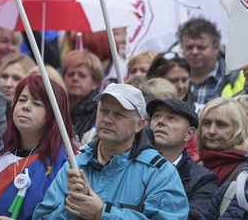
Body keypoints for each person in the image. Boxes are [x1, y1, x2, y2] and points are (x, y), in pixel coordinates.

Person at [33, 83, 188, 219]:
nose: (107, 119)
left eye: (118, 115)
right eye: (104, 111)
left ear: (139, 125)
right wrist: (71, 207)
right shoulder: (75, 165)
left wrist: (102, 213)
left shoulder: (160, 173)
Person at [0, 75, 72, 220]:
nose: (26, 106)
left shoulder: (67, 165)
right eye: (22, 100)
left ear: (54, 115)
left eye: (37, 103)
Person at [148, 98, 218, 218]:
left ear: (189, 134)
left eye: (171, 118)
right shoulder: (129, 162)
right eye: (157, 115)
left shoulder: (201, 179)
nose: (160, 121)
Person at [178, 18, 244, 110]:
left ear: (216, 47)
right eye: (189, 47)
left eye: (201, 47)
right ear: (182, 48)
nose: (194, 52)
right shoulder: (169, 76)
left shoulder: (237, 77)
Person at [197, 97, 248, 185]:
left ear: (239, 130)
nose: (211, 131)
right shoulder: (197, 165)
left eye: (221, 125)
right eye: (207, 123)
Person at [61, 50, 104, 141]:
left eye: (82, 75)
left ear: (95, 83)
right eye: (70, 74)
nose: (75, 78)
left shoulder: (100, 110)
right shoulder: (58, 106)